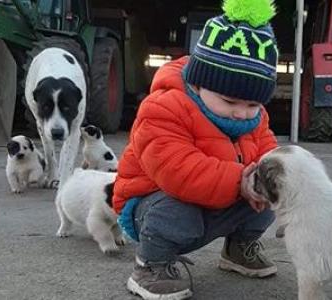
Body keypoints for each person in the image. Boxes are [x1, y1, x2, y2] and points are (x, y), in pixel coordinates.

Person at [112, 0, 280, 298]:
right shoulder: (163, 108)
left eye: (253, 104)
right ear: (199, 83)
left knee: (269, 190)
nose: (242, 113)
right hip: (154, 205)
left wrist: (271, 181)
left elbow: (268, 153)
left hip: (217, 197)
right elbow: (177, 171)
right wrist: (240, 181)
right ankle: (151, 264)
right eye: (230, 101)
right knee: (178, 212)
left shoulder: (256, 119)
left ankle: (239, 248)